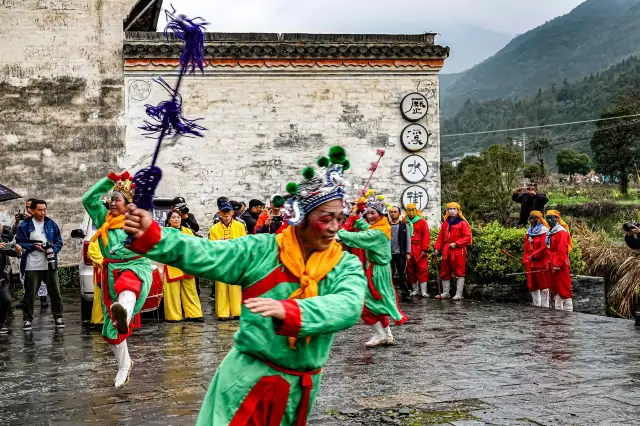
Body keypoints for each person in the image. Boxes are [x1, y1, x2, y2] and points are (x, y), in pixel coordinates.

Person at [123, 146, 366, 425]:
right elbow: (207, 254)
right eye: (325, 217)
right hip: (246, 381)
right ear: (301, 218)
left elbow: (349, 305)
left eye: (339, 218)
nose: (335, 227)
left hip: (297, 391)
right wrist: (153, 235)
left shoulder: (344, 265)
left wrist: (291, 311)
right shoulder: (262, 251)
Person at [81, 171, 154, 388]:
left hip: (135, 266)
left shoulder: (136, 220)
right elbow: (88, 199)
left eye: (117, 199)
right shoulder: (103, 217)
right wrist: (110, 180)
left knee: (127, 286)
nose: (112, 202)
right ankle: (125, 364)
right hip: (110, 269)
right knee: (110, 332)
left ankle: (124, 315)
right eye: (111, 199)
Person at [339, 191, 407, 347]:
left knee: (364, 303)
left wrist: (339, 230)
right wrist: (356, 217)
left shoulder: (378, 232)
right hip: (377, 269)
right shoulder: (382, 226)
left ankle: (379, 334)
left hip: (377, 272)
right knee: (378, 303)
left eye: (372, 213)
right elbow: (366, 228)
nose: (369, 216)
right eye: (367, 213)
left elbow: (358, 237)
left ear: (381, 213)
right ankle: (387, 335)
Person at [15, 199, 64, 330]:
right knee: (30, 294)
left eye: (44, 210)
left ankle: (58, 317)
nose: (42, 213)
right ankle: (27, 320)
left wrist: (53, 250)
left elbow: (59, 241)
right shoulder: (25, 225)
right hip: (32, 265)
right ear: (33, 210)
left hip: (49, 264)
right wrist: (33, 246)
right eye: (39, 210)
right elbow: (19, 243)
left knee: (55, 293)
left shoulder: (51, 224)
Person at [208, 202, 247, 320]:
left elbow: (244, 243)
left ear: (232, 213)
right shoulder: (214, 228)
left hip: (235, 261)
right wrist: (219, 243)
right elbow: (210, 246)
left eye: (228, 212)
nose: (226, 214)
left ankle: (237, 312)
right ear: (219, 213)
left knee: (235, 287)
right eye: (223, 212)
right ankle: (223, 313)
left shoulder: (240, 226)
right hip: (221, 262)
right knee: (221, 288)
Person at [164, 210, 204, 322]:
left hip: (186, 264)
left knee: (191, 290)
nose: (176, 219)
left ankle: (194, 314)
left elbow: (194, 245)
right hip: (173, 264)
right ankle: (174, 316)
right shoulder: (165, 232)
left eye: (178, 217)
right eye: (174, 217)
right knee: (173, 293)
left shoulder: (187, 231)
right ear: (169, 220)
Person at [13, 198, 48, 309]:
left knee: (41, 275)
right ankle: (27, 298)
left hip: (37, 252)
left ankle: (43, 298)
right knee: (24, 276)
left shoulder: (40, 219)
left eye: (30, 207)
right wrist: (17, 222)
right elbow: (13, 233)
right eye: (27, 207)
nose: (28, 209)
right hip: (24, 252)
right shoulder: (22, 221)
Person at [434, 202, 472, 301]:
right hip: (446, 249)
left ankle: (459, 294)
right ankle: (446, 293)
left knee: (459, 271)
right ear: (447, 211)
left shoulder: (463, 223)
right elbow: (440, 237)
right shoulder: (446, 223)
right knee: (445, 270)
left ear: (458, 210)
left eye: (454, 209)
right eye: (450, 209)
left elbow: (467, 237)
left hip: (459, 250)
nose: (452, 211)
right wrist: (437, 248)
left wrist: (457, 243)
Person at [545, 210, 573, 312]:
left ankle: (568, 312)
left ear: (557, 218)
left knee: (564, 288)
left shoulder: (561, 232)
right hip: (552, 263)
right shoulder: (550, 232)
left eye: (551, 218)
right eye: (547, 218)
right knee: (555, 288)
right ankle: (558, 312)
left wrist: (557, 264)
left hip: (560, 265)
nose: (548, 220)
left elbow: (561, 250)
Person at [523, 211, 550, 308]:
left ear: (539, 219)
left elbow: (545, 247)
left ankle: (545, 306)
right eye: (531, 218)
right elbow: (526, 247)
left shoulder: (544, 231)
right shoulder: (528, 232)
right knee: (533, 285)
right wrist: (525, 258)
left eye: (534, 218)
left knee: (543, 285)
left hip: (541, 263)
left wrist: (534, 254)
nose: (532, 220)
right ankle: (536, 305)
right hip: (530, 263)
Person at [403, 203, 431, 297]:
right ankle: (415, 289)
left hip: (419, 247)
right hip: (408, 247)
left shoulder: (422, 222)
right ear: (406, 211)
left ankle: (423, 291)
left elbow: (426, 236)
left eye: (413, 210)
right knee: (410, 269)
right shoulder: (404, 222)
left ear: (416, 210)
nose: (411, 212)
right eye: (409, 210)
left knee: (422, 268)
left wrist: (425, 249)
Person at [388, 206, 412, 302]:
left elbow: (408, 239)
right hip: (388, 254)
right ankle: (389, 294)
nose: (393, 213)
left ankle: (405, 294)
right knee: (389, 275)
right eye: (391, 212)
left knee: (402, 274)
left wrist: (408, 252)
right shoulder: (387, 225)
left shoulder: (403, 225)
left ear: (399, 213)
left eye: (395, 212)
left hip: (400, 253)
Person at [0, 226, 20, 335]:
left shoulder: (2, 241)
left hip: (2, 277)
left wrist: (17, 251)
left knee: (6, 299)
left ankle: (1, 323)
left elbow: (10, 254)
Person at [87, 239, 104, 326]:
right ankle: (98, 320)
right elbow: (92, 252)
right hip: (101, 271)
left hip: (113, 269)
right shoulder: (98, 237)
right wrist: (105, 262)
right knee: (99, 297)